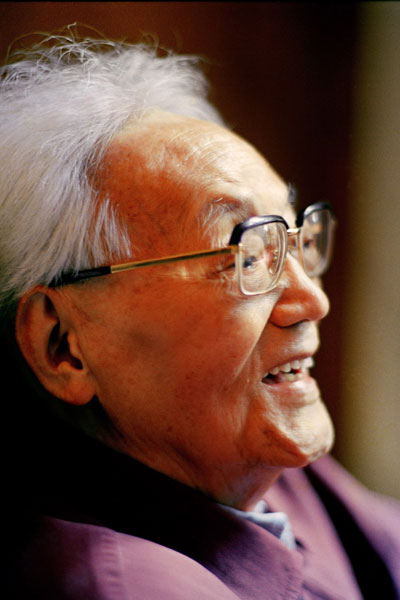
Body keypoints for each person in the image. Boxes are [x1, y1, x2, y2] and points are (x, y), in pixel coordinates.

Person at [1, 29, 399, 599]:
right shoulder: (129, 586)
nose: (313, 300)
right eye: (245, 254)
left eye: (294, 238)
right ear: (63, 345)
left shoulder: (242, 453)